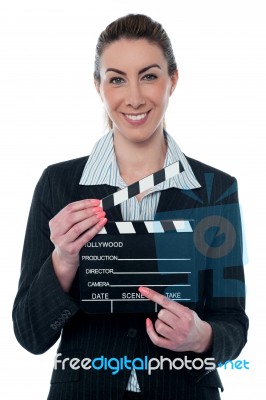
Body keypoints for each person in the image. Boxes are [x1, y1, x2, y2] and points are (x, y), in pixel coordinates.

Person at [12, 14, 248, 400]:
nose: (134, 96)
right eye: (117, 78)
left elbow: (233, 324)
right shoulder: (59, 184)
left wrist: (202, 336)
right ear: (98, 86)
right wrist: (64, 262)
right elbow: (30, 335)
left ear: (173, 79)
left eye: (150, 75)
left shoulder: (215, 190)